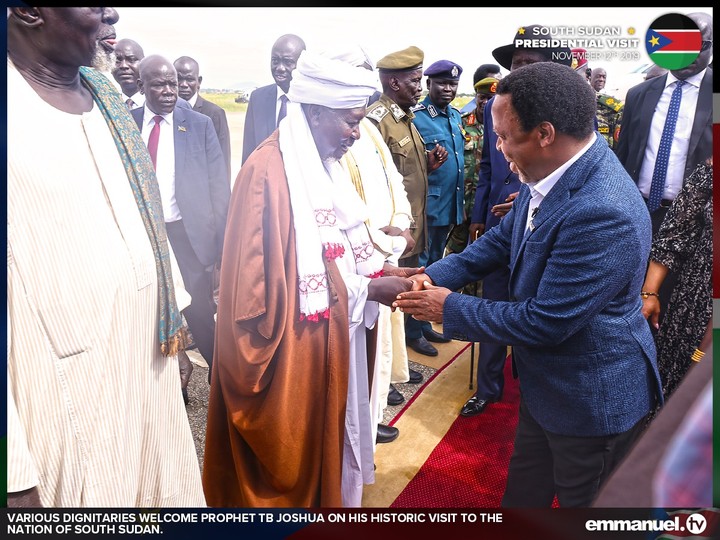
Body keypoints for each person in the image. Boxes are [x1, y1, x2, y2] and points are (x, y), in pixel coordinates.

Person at [393, 62, 661, 508]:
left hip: (591, 401)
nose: (498, 148)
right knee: (523, 500)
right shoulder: (553, 174)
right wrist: (431, 275)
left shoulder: (603, 211)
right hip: (549, 388)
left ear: (544, 134)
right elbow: (500, 241)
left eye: (504, 137)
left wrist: (446, 307)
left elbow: (546, 321)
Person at [7, 6, 205, 507]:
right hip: (62, 402)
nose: (111, 13)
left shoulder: (107, 100)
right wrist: (11, 472)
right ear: (29, 11)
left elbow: (147, 225)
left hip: (148, 379)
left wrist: (175, 316)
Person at [203, 50, 416, 507]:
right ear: (315, 112)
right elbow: (257, 302)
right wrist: (366, 291)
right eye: (349, 122)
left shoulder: (322, 165)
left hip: (334, 339)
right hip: (297, 355)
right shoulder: (265, 174)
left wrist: (383, 272)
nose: (355, 135)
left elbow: (338, 250)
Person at [463, 24, 572, 418]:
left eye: (528, 63)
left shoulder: (569, 117)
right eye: (515, 64)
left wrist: (530, 202)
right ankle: (488, 388)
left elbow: (578, 185)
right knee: (492, 304)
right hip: (498, 229)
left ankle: (533, 388)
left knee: (531, 311)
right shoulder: (499, 111)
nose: (518, 70)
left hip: (546, 235)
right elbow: (488, 171)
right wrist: (479, 218)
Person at [332, 45, 416, 445]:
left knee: (381, 348)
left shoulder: (366, 125)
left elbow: (393, 179)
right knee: (362, 353)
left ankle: (374, 411)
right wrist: (387, 241)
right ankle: (361, 423)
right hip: (365, 260)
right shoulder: (335, 129)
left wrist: (402, 224)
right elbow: (345, 207)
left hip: (387, 250)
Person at [132, 55, 230, 379]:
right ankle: (170, 383)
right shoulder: (127, 124)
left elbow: (219, 186)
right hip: (142, 236)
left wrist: (221, 248)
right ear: (141, 85)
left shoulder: (198, 125)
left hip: (187, 238)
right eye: (159, 84)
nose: (170, 91)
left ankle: (223, 378)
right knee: (146, 311)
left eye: (172, 83)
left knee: (200, 311)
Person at [616, 11, 712, 327]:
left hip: (695, 228)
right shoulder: (638, 94)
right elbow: (622, 158)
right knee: (627, 306)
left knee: (675, 315)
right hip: (638, 215)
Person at [367, 45, 448, 362]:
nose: (420, 87)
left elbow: (403, 171)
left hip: (415, 221)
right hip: (398, 229)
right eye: (414, 81)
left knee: (415, 282)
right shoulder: (379, 121)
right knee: (394, 295)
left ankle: (417, 330)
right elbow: (377, 183)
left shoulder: (405, 117)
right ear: (394, 83)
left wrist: (427, 165)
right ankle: (396, 358)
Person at [640, 157, 712, 401]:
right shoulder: (713, 169)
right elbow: (674, 235)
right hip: (693, 310)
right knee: (676, 396)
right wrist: (649, 292)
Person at [410, 59, 464, 353]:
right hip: (427, 207)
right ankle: (412, 331)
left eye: (453, 84)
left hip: (448, 206)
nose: (448, 89)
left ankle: (424, 324)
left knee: (435, 266)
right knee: (420, 268)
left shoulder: (454, 116)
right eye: (442, 83)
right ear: (428, 84)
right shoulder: (417, 118)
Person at [445, 76, 498, 260]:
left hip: (488, 206)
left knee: (484, 256)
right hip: (462, 204)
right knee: (454, 255)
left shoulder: (504, 128)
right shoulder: (461, 123)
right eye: (482, 97)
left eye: (491, 98)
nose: (485, 102)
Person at [241, 33, 306, 165]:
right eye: (275, 61)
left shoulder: (313, 101)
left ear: (302, 64)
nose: (280, 68)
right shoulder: (257, 98)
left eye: (288, 62)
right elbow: (249, 153)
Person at [174, 55, 232, 181]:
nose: (183, 84)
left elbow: (223, 162)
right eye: (179, 79)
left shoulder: (214, 114)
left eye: (189, 79)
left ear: (199, 81)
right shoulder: (166, 112)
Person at [591, 67, 623, 152]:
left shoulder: (610, 103)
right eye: (598, 76)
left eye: (603, 77)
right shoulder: (585, 97)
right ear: (590, 77)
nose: (601, 79)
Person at [111, 37, 145, 109]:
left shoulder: (158, 104)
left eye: (131, 60)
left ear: (144, 64)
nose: (123, 65)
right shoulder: (106, 106)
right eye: (117, 60)